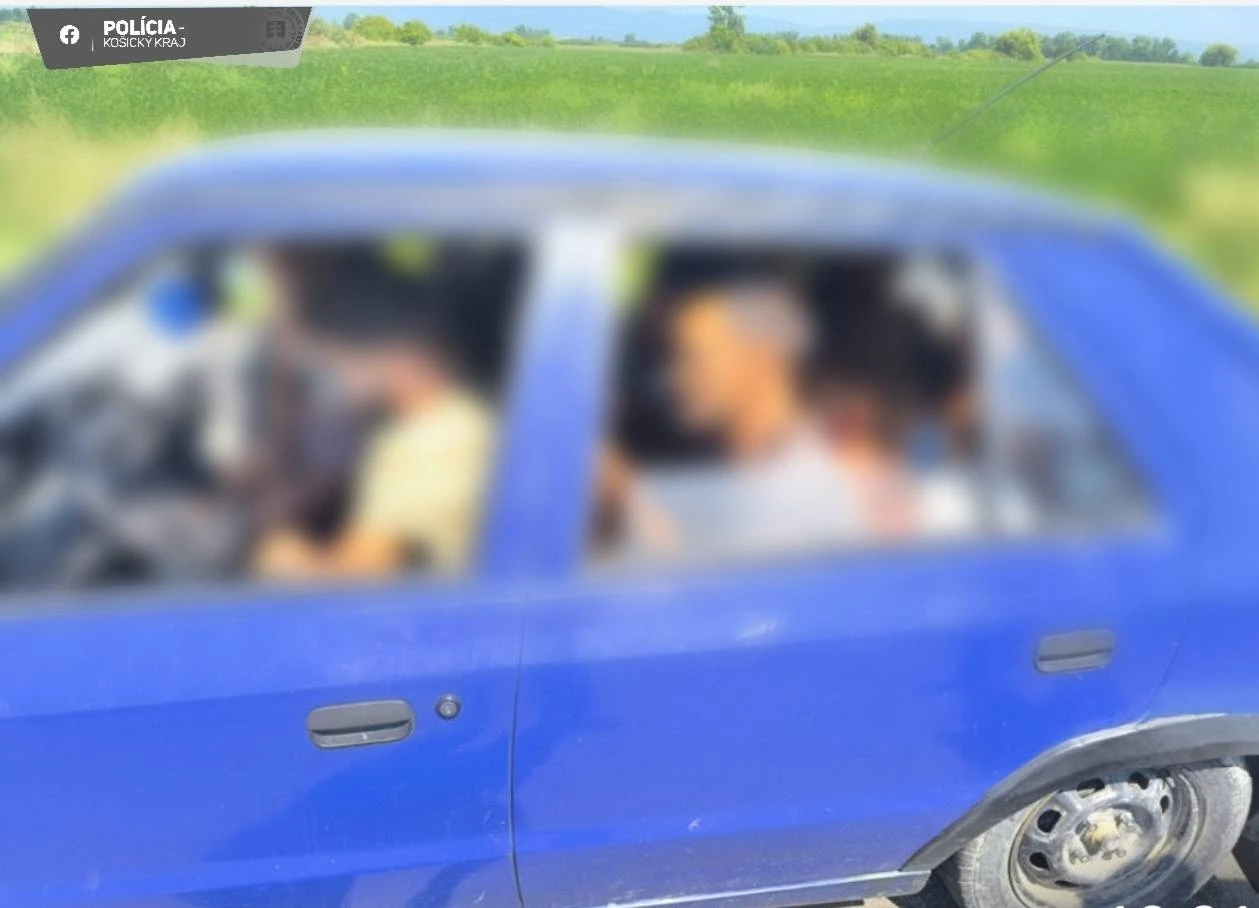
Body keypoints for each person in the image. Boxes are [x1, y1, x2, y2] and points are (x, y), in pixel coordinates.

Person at [253, 258, 493, 579]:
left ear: (384, 351)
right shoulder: (416, 427)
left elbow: (357, 578)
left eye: (331, 362)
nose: (330, 381)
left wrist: (283, 553)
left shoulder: (445, 441)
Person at [606, 280, 860, 560]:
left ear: (761, 359)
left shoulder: (814, 492)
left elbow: (729, 581)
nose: (673, 380)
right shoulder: (715, 467)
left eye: (694, 357)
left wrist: (632, 503)